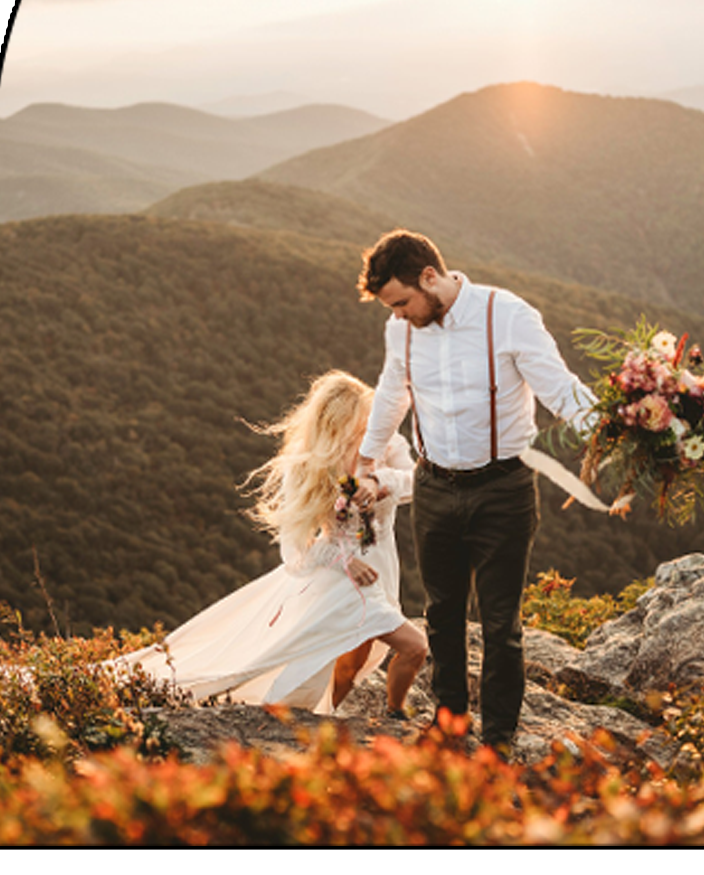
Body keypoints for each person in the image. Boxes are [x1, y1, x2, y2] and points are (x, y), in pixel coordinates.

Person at [352, 230, 596, 751]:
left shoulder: (506, 315)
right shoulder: (401, 332)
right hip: (434, 485)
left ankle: (500, 737)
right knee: (441, 613)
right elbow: (393, 394)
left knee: (501, 619)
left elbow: (559, 388)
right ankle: (449, 723)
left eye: (401, 303)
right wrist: (365, 460)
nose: (397, 315)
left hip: (502, 488)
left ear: (429, 278)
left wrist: (618, 428)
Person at [114, 370, 427, 718]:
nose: (367, 429)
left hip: (382, 566)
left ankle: (331, 715)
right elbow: (294, 551)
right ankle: (394, 716)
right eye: (359, 423)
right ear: (336, 425)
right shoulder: (307, 466)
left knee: (353, 661)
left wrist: (379, 481)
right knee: (412, 646)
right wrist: (344, 562)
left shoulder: (384, 444)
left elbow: (417, 481)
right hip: (340, 578)